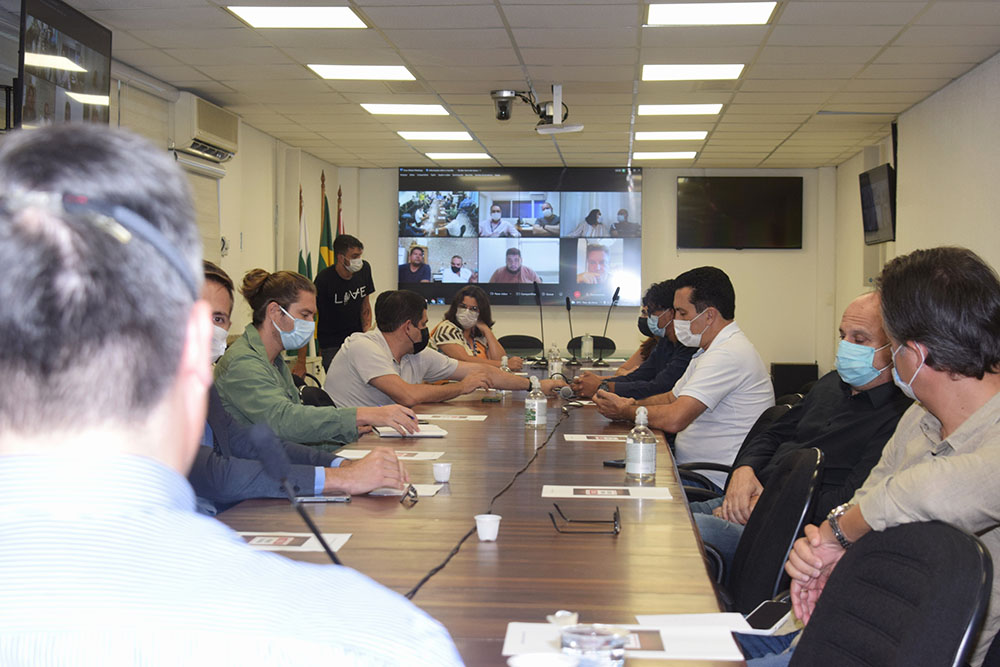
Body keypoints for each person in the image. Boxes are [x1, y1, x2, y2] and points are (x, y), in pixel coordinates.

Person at [0, 123, 461, 664]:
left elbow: (244, 443)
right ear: (199, 347)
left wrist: (338, 464)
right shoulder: (377, 641)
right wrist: (340, 472)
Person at [767, 247, 1000, 667]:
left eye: (889, 345)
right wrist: (824, 547)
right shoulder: (918, 417)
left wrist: (838, 534)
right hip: (849, 627)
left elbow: (923, 491)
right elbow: (868, 496)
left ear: (915, 353)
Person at [690, 292, 912, 577]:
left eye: (860, 340)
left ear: (894, 347)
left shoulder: (898, 416)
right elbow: (772, 433)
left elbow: (851, 499)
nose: (846, 347)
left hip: (787, 531)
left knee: (673, 536)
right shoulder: (831, 383)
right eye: (843, 336)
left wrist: (771, 505)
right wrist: (744, 471)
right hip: (747, 501)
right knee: (652, 519)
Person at [191, 261, 409, 515]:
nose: (208, 327)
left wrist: (343, 465)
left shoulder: (203, 382)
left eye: (218, 318)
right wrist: (342, 477)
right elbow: (220, 472)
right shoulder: (237, 363)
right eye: (305, 315)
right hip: (223, 508)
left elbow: (252, 442)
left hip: (243, 499)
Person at [594, 266, 773, 491]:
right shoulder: (707, 350)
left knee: (619, 490)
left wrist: (627, 412)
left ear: (709, 315)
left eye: (682, 313)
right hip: (689, 471)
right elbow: (671, 398)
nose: (676, 320)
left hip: (712, 484)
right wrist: (631, 405)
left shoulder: (728, 353)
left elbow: (675, 418)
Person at [214, 269, 419, 446]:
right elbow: (285, 421)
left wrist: (350, 439)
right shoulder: (243, 363)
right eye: (305, 315)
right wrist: (364, 414)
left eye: (313, 316)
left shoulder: (274, 361)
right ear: (275, 312)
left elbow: (298, 438)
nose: (311, 323)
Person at [325, 290, 563, 407]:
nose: (427, 330)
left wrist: (535, 385)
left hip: (381, 435)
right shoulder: (363, 346)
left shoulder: (415, 354)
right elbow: (407, 395)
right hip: (347, 444)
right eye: (424, 324)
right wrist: (460, 388)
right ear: (408, 328)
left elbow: (481, 372)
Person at [572, 280, 696, 400]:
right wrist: (596, 383)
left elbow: (659, 387)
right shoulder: (665, 342)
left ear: (670, 313)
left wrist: (602, 386)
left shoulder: (690, 346)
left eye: (651, 312)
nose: (648, 317)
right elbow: (637, 377)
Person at [311, 234, 375, 371]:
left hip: (356, 339)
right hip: (331, 344)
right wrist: (301, 359)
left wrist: (367, 335)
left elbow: (365, 304)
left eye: (360, 256)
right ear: (341, 258)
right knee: (339, 385)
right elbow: (310, 314)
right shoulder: (323, 280)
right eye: (354, 256)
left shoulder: (364, 270)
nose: (358, 260)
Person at [430, 285, 524, 370]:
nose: (467, 312)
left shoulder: (477, 335)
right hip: (443, 385)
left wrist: (487, 331)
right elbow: (463, 360)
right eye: (463, 306)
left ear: (481, 312)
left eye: (473, 309)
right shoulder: (446, 328)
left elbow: (500, 359)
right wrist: (505, 364)